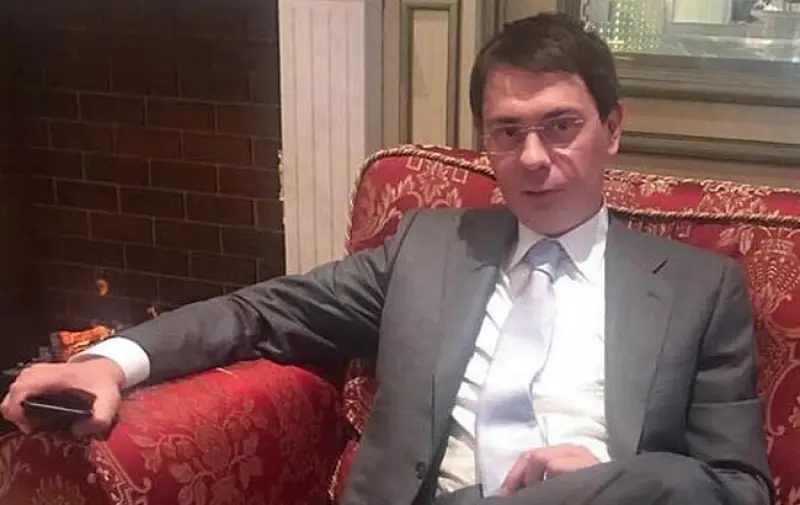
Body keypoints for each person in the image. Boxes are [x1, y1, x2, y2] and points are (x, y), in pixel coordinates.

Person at [1, 13, 772, 505]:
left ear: (614, 128)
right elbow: (260, 311)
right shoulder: (427, 248)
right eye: (507, 132)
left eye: (561, 125)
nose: (534, 157)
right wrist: (109, 361)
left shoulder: (698, 288)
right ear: (486, 144)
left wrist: (600, 481)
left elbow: (737, 488)